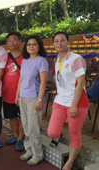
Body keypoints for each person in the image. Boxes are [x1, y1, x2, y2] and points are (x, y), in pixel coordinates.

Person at [47, 32, 88, 170]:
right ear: (53, 44)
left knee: (74, 134)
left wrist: (74, 105)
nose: (59, 43)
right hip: (60, 100)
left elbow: (81, 82)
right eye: (56, 41)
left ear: (68, 42)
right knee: (52, 132)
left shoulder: (76, 59)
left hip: (76, 102)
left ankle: (69, 163)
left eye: (62, 40)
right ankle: (58, 136)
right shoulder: (57, 59)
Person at [15, 35, 48, 166]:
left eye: (34, 44)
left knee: (33, 127)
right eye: (28, 44)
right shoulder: (25, 61)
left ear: (39, 46)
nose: (31, 46)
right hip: (23, 97)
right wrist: (17, 95)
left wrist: (40, 99)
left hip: (34, 97)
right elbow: (20, 79)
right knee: (26, 125)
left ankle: (38, 154)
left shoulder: (41, 61)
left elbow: (43, 81)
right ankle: (28, 149)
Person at [3, 31, 25, 151]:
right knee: (11, 116)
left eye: (15, 40)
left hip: (22, 94)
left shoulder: (25, 56)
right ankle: (15, 136)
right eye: (9, 41)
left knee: (22, 117)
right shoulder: (5, 57)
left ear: (20, 41)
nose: (12, 43)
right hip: (8, 93)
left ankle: (21, 138)